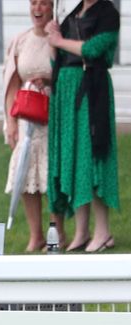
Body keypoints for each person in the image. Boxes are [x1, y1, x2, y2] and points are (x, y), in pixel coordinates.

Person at [46, 0, 120, 252]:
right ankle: (81, 231)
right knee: (75, 159)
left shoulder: (108, 13)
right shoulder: (74, 14)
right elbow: (57, 59)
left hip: (92, 91)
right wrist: (52, 39)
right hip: (67, 92)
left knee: (93, 157)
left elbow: (93, 48)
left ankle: (103, 231)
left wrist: (60, 41)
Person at [3, 0, 64, 252]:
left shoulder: (59, 37)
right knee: (25, 172)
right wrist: (11, 121)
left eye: (44, 3)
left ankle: (57, 233)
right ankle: (35, 234)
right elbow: (12, 83)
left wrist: (48, 78)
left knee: (53, 173)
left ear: (52, 8)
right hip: (28, 116)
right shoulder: (20, 40)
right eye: (33, 3)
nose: (37, 8)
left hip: (54, 113)